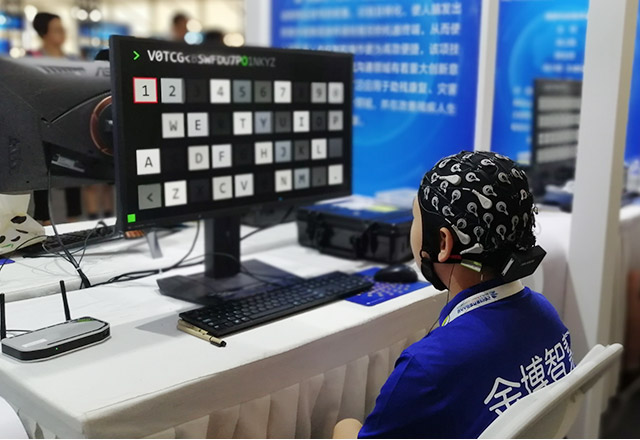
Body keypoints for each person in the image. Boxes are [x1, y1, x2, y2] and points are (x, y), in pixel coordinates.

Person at [334, 151, 574, 439]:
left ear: (443, 242)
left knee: (344, 425)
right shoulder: (546, 317)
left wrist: (343, 426)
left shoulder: (427, 367)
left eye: (415, 217)